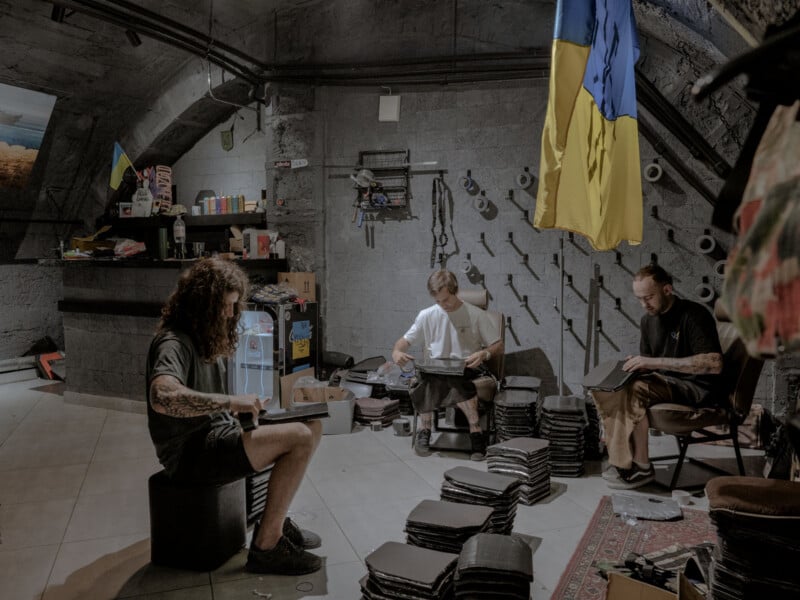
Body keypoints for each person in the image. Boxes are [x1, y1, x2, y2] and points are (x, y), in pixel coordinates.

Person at [146, 258, 323, 575]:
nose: (230, 314)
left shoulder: (207, 338)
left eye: (233, 305)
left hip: (219, 435)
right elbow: (163, 397)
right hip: (192, 454)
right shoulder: (174, 343)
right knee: (298, 438)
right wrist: (229, 402)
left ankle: (277, 521)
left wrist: (251, 411)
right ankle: (267, 547)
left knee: (312, 424)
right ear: (203, 305)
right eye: (225, 306)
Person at [591, 265, 723, 490]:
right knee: (610, 388)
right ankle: (622, 461)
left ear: (668, 289)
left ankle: (642, 467)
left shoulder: (694, 315)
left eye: (649, 297)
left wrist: (652, 362)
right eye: (639, 299)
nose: (644, 305)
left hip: (697, 388)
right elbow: (650, 365)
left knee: (636, 390)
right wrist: (635, 366)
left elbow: (714, 364)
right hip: (665, 383)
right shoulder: (647, 321)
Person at [392, 270, 504, 460]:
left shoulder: (475, 314)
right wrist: (396, 352)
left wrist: (484, 353)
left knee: (458, 382)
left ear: (456, 291)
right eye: (438, 301)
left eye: (446, 300)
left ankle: (476, 432)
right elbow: (403, 341)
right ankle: (424, 429)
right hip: (436, 367)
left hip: (467, 366)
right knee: (422, 380)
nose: (443, 305)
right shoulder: (426, 315)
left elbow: (498, 345)